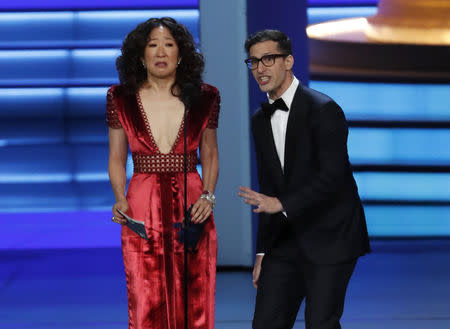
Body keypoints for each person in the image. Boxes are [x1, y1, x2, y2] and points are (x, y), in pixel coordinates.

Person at [238, 29, 370, 329]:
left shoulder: (324, 110)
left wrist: (280, 203)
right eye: (254, 61)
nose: (260, 68)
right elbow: (268, 192)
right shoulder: (260, 120)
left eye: (268, 59)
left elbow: (332, 179)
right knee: (266, 323)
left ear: (288, 61)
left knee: (320, 323)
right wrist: (262, 252)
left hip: (331, 235)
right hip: (285, 241)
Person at [107, 17, 220, 329]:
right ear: (140, 55)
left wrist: (209, 197)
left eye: (169, 44)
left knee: (195, 291)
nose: (161, 52)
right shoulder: (120, 98)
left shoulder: (205, 96)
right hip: (141, 204)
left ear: (181, 53)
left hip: (192, 203)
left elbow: (209, 152)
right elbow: (116, 158)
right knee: (145, 295)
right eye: (152, 45)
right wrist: (119, 198)